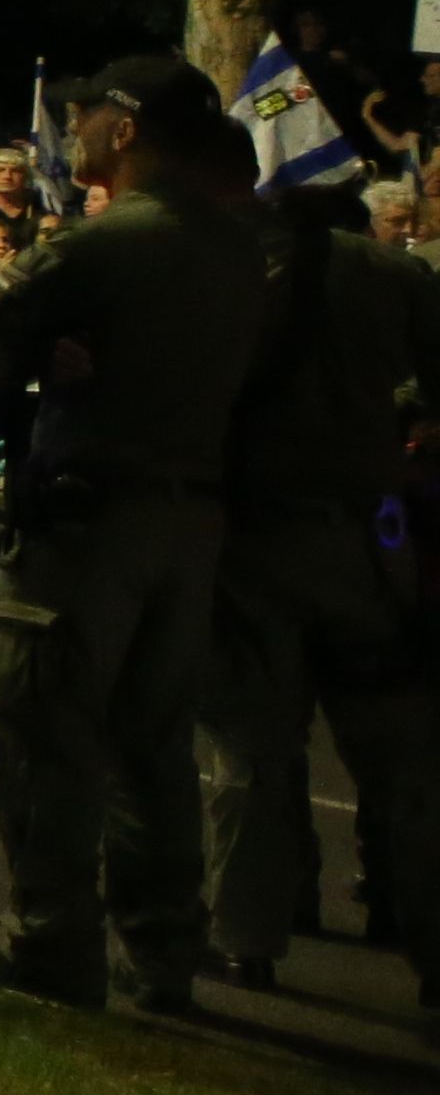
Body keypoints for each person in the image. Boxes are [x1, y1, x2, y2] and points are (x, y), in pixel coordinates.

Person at [0, 50, 273, 1013]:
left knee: (46, 737)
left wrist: (34, 343)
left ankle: (50, 949)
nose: (75, 130)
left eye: (88, 115)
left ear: (126, 130)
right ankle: (161, 955)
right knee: (155, 749)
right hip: (189, 520)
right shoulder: (235, 251)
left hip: (85, 522)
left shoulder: (100, 246)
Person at [200, 183, 440, 1015]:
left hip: (253, 541)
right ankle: (426, 941)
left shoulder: (232, 270)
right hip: (366, 543)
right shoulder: (396, 277)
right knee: (403, 762)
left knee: (251, 752)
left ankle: (248, 937)